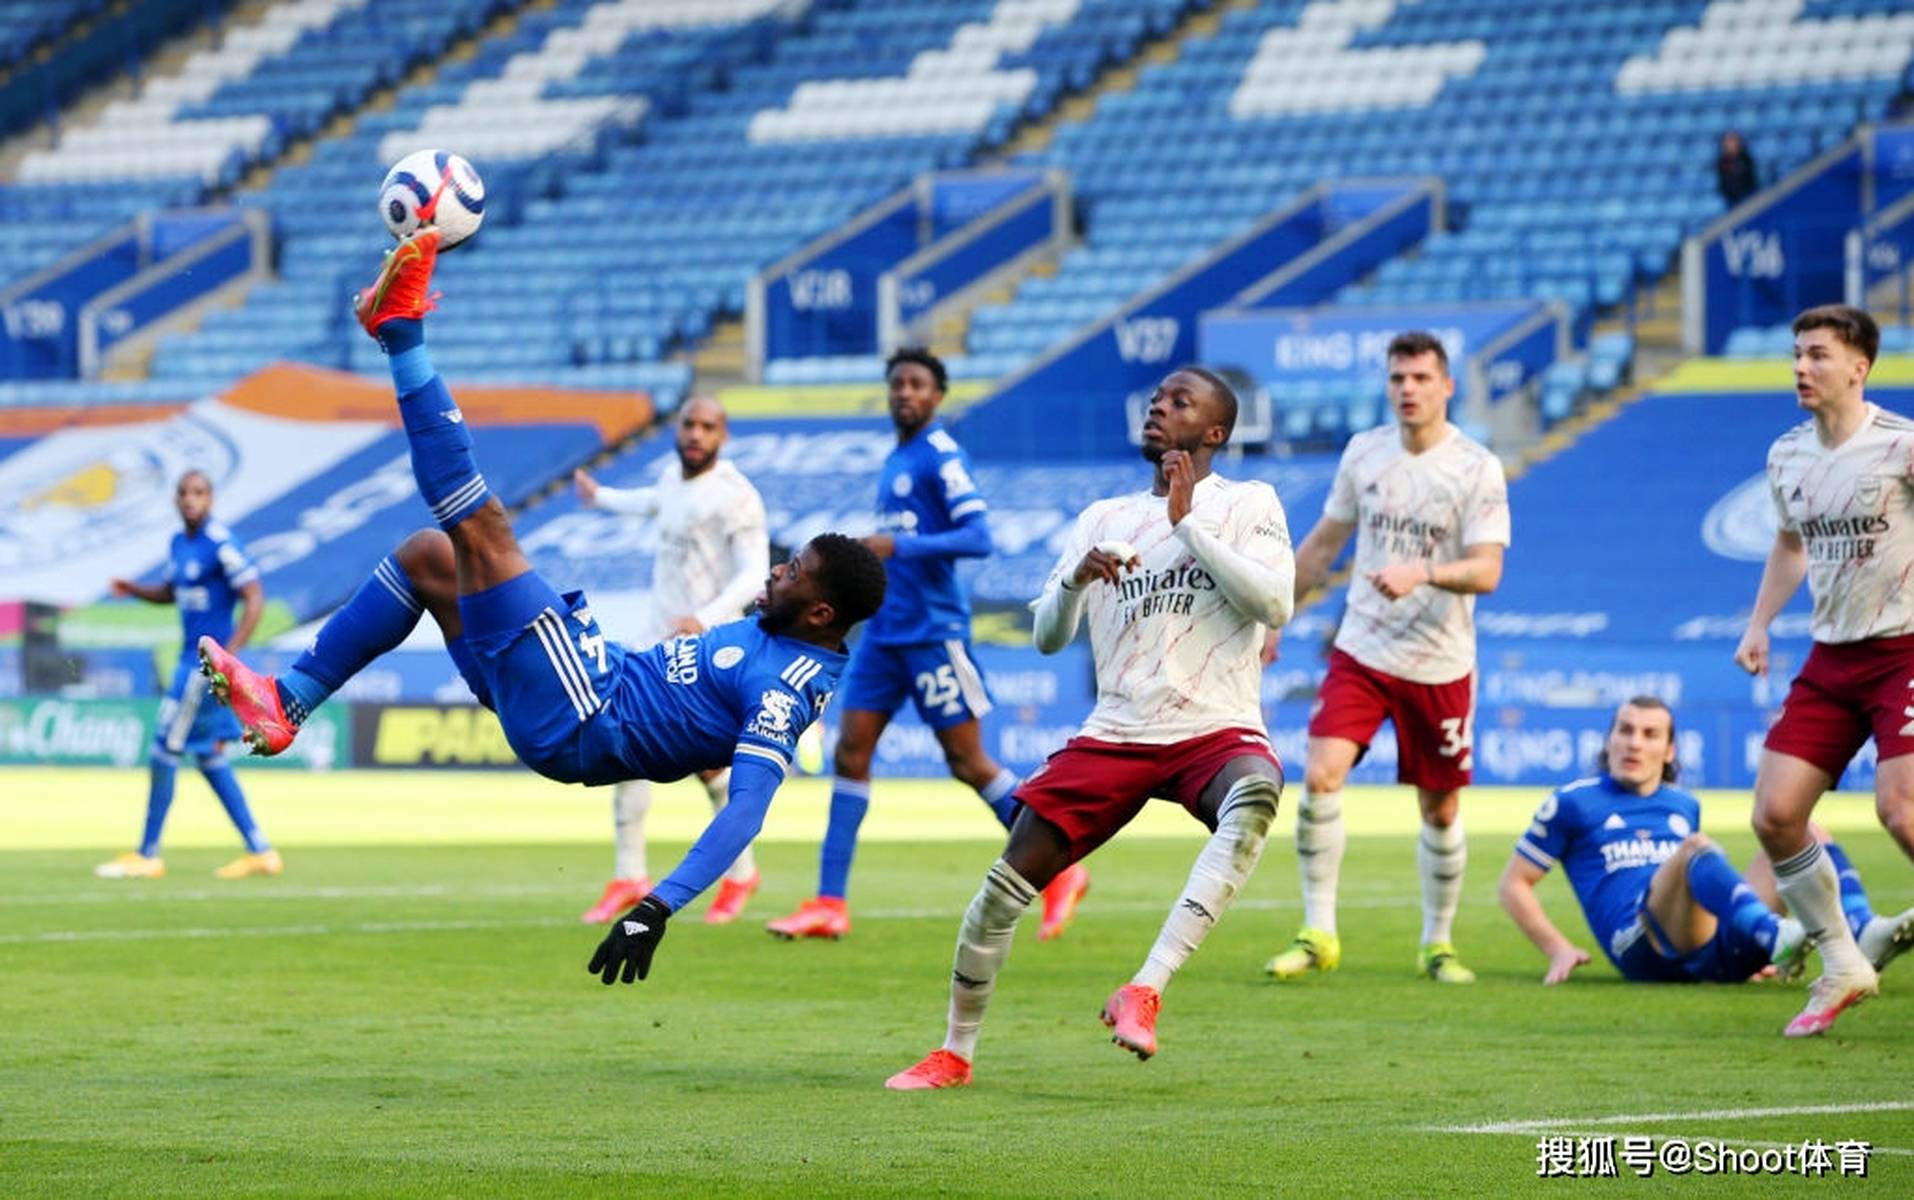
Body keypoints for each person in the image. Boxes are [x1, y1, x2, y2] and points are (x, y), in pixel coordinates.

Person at [195, 225, 886, 984]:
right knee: (430, 558)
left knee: (482, 526)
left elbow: (746, 810)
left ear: (821, 614)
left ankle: (401, 334)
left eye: (796, 575)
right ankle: (288, 701)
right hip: (579, 687)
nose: (779, 573)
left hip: (584, 706)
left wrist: (656, 906)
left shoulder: (786, 690)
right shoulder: (766, 631)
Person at [885, 366, 1294, 1090]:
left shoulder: (1248, 502)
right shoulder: (1100, 518)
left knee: (1257, 794)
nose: (1158, 408)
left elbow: (1274, 603)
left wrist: (1186, 523)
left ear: (1216, 431)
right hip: (1115, 731)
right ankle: (954, 1051)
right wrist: (1075, 577)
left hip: (1212, 727)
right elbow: (1047, 637)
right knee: (999, 896)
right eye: (1156, 399)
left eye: (1179, 402)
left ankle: (1146, 987)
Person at [767, 348, 1091, 943]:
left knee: (968, 762)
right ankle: (829, 903)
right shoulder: (897, 457)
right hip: (884, 635)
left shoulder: (941, 456)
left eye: (917, 384)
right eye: (897, 384)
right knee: (851, 754)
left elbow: (978, 536)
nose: (904, 393)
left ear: (938, 395)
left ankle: (1062, 868)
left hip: (934, 633)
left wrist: (896, 547)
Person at [1264, 331, 1509, 984]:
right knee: (1320, 777)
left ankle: (1438, 943)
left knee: (1441, 810)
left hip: (1440, 662)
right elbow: (1321, 547)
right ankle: (1318, 931)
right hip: (1363, 648)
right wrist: (1273, 618)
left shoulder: (1476, 467)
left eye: (1422, 378)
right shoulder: (1364, 454)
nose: (1408, 389)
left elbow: (1488, 571)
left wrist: (1423, 572)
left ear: (1447, 386)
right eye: (1398, 378)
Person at [1734, 304, 1914, 1036]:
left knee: (1900, 810)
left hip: (1905, 647)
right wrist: (1759, 621)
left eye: (1816, 355)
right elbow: (1788, 545)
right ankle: (1842, 962)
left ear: (1858, 367)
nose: (1801, 368)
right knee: (1775, 815)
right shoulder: (1788, 456)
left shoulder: (1902, 446)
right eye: (1797, 355)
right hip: (1832, 655)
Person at [1500, 696, 1914, 987]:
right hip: (1643, 947)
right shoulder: (1573, 801)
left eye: (1649, 734)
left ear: (1669, 750)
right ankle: (1774, 936)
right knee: (1696, 849)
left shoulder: (1682, 803)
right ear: (1609, 739)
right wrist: (1557, 948)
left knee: (1809, 835)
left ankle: (1863, 933)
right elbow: (1513, 883)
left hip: (1709, 945)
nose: (1634, 742)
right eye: (1625, 731)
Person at [571, 395, 771, 926]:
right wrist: (601, 498)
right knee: (623, 743)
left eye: (708, 426)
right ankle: (629, 875)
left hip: (709, 645)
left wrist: (705, 618)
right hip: (656, 637)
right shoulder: (671, 480)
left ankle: (741, 872)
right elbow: (651, 503)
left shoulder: (736, 496)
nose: (696, 434)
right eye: (689, 424)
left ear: (722, 436)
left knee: (709, 766)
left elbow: (756, 574)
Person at [94, 470, 280, 880]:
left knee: (163, 751)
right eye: (183, 493)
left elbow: (254, 595)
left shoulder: (222, 544)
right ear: (175, 500)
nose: (190, 499)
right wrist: (135, 589)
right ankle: (260, 850)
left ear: (211, 499)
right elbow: (170, 592)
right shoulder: (179, 544)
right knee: (209, 754)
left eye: (198, 493)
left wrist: (227, 656)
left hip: (199, 665)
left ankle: (147, 854)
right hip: (190, 660)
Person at [1716, 131, 1758, 207]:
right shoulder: (1722, 161)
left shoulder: (1746, 159)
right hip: (1730, 198)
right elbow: (1723, 180)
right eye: (1728, 142)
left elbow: (1751, 178)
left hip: (1746, 195)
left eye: (1733, 141)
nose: (1731, 145)